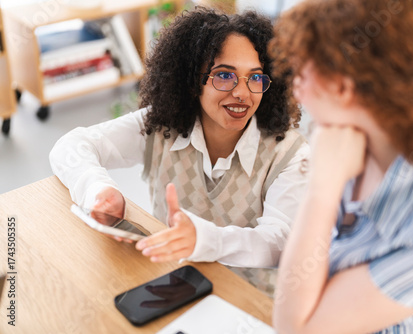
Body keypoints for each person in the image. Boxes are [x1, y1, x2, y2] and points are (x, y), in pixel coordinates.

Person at [269, 0, 413, 332]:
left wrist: (322, 186)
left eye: (301, 72)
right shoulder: (355, 150)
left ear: (343, 87)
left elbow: (298, 329)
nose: (297, 90)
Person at [49, 7, 308, 295]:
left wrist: (204, 240)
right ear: (191, 79)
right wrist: (97, 189)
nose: (242, 93)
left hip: (245, 296)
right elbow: (72, 145)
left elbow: (277, 242)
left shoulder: (291, 154)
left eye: (256, 78)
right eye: (224, 75)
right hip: (171, 280)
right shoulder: (162, 126)